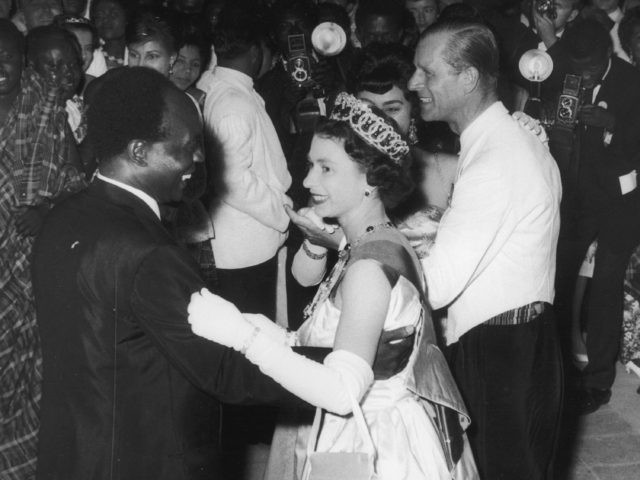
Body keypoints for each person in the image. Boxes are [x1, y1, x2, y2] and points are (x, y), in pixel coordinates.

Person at [188, 92, 478, 480]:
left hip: (372, 443)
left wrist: (243, 337)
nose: (308, 180)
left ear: (371, 180)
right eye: (310, 165)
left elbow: (342, 392)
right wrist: (261, 326)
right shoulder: (379, 239)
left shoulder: (368, 269)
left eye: (326, 168)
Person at [31, 66, 292, 480]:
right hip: (146, 462)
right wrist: (341, 365)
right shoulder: (150, 253)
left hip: (74, 454)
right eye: (187, 145)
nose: (200, 158)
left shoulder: (62, 218)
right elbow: (225, 371)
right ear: (139, 152)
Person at [408, 19, 563, 479]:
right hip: (522, 343)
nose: (415, 82)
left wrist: (367, 242)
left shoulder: (494, 161)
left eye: (427, 72)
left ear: (468, 78)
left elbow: (434, 287)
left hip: (498, 354)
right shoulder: (509, 139)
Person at [0, 18, 85, 480]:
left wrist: (47, 208)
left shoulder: (48, 107)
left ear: (23, 61)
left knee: (29, 375)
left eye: (8, 56)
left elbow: (77, 184)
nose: (0, 67)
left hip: (28, 268)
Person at [558, 18, 640, 414]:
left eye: (591, 66)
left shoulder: (631, 81)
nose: (584, 74)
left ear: (608, 53)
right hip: (575, 195)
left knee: (606, 285)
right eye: (578, 66)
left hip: (621, 199)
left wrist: (614, 126)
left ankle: (598, 382)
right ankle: (558, 372)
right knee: (557, 279)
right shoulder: (560, 69)